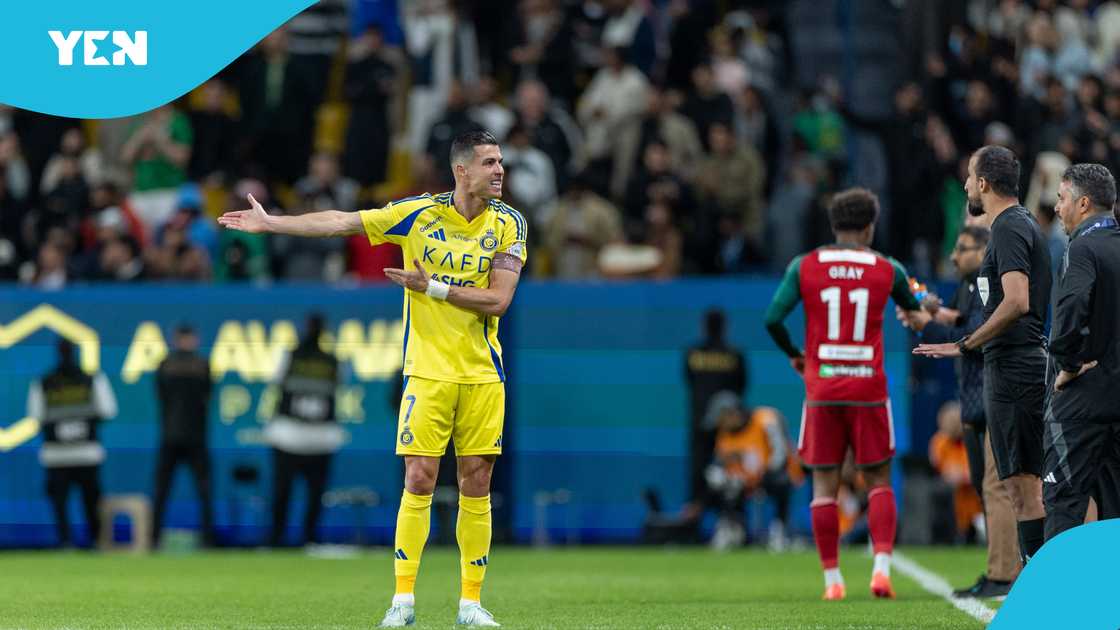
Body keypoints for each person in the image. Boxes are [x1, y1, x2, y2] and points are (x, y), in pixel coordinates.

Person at [219, 129, 526, 628]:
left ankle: (470, 602)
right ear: (461, 170)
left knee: (477, 482)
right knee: (419, 477)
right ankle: (402, 601)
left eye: (501, 162)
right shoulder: (417, 215)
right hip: (427, 370)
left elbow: (498, 300)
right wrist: (274, 223)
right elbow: (340, 221)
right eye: (490, 163)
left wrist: (434, 288)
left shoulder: (510, 224)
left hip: (483, 372)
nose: (500, 171)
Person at [764, 187, 924, 601]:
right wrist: (924, 306)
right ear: (870, 227)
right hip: (868, 387)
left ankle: (832, 581)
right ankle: (882, 569)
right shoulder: (887, 268)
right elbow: (916, 310)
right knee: (878, 482)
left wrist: (796, 355)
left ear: (834, 226)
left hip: (823, 387)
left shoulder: (805, 266)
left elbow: (773, 319)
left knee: (823, 486)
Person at [915, 146, 1052, 566]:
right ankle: (1041, 582)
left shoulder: (1009, 228)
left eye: (970, 176)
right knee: (1020, 486)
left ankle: (1043, 585)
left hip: (1014, 366)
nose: (965, 184)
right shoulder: (1013, 226)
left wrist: (965, 343)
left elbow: (1016, 301)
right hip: (1012, 366)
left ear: (984, 184)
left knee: (1025, 487)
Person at [904, 225, 1021, 598]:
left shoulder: (988, 281)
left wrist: (932, 324)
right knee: (987, 488)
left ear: (984, 249)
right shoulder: (969, 286)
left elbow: (975, 334)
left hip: (991, 396)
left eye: (963, 248)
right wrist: (934, 315)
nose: (954, 256)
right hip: (975, 399)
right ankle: (997, 569)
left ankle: (1005, 573)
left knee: (997, 487)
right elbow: (961, 324)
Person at [1042, 163, 1120, 541]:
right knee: (1114, 514)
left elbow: (1070, 309)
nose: (1057, 207)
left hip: (1082, 399)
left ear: (1083, 203)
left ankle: (1061, 600)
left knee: (1063, 502)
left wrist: (1068, 363)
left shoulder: (1082, 248)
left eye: (1061, 198)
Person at [27, 339, 118, 548]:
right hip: (84, 452)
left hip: (58, 454)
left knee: (64, 501)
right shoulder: (91, 379)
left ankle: (66, 541)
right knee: (88, 499)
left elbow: (36, 415)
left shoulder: (44, 382)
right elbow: (108, 410)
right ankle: (93, 541)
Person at [265, 313, 343, 548]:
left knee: (284, 492)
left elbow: (276, 382)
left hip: (290, 434)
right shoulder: (332, 361)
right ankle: (308, 538)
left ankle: (280, 538)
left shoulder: (291, 357)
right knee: (311, 493)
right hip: (317, 436)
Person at [152, 324, 215, 548]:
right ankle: (155, 538)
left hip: (179, 435)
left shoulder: (166, 366)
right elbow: (207, 396)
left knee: (200, 491)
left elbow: (161, 396)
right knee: (167, 491)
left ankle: (206, 538)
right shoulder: (201, 366)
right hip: (185, 436)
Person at [683, 310, 747, 509]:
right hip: (727, 428)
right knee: (733, 471)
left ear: (703, 327)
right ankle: (733, 520)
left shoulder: (692, 354)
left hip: (699, 423)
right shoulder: (734, 355)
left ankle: (695, 525)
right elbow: (741, 387)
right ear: (725, 327)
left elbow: (689, 381)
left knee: (698, 474)